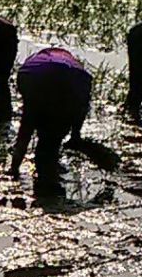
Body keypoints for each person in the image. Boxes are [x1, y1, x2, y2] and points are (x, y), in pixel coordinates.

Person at [10, 47, 93, 196]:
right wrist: (75, 135)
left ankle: (45, 178)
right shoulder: (79, 75)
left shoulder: (32, 67)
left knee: (43, 136)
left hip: (37, 76)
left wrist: (14, 168)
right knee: (52, 140)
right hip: (70, 80)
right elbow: (81, 108)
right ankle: (49, 182)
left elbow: (26, 130)